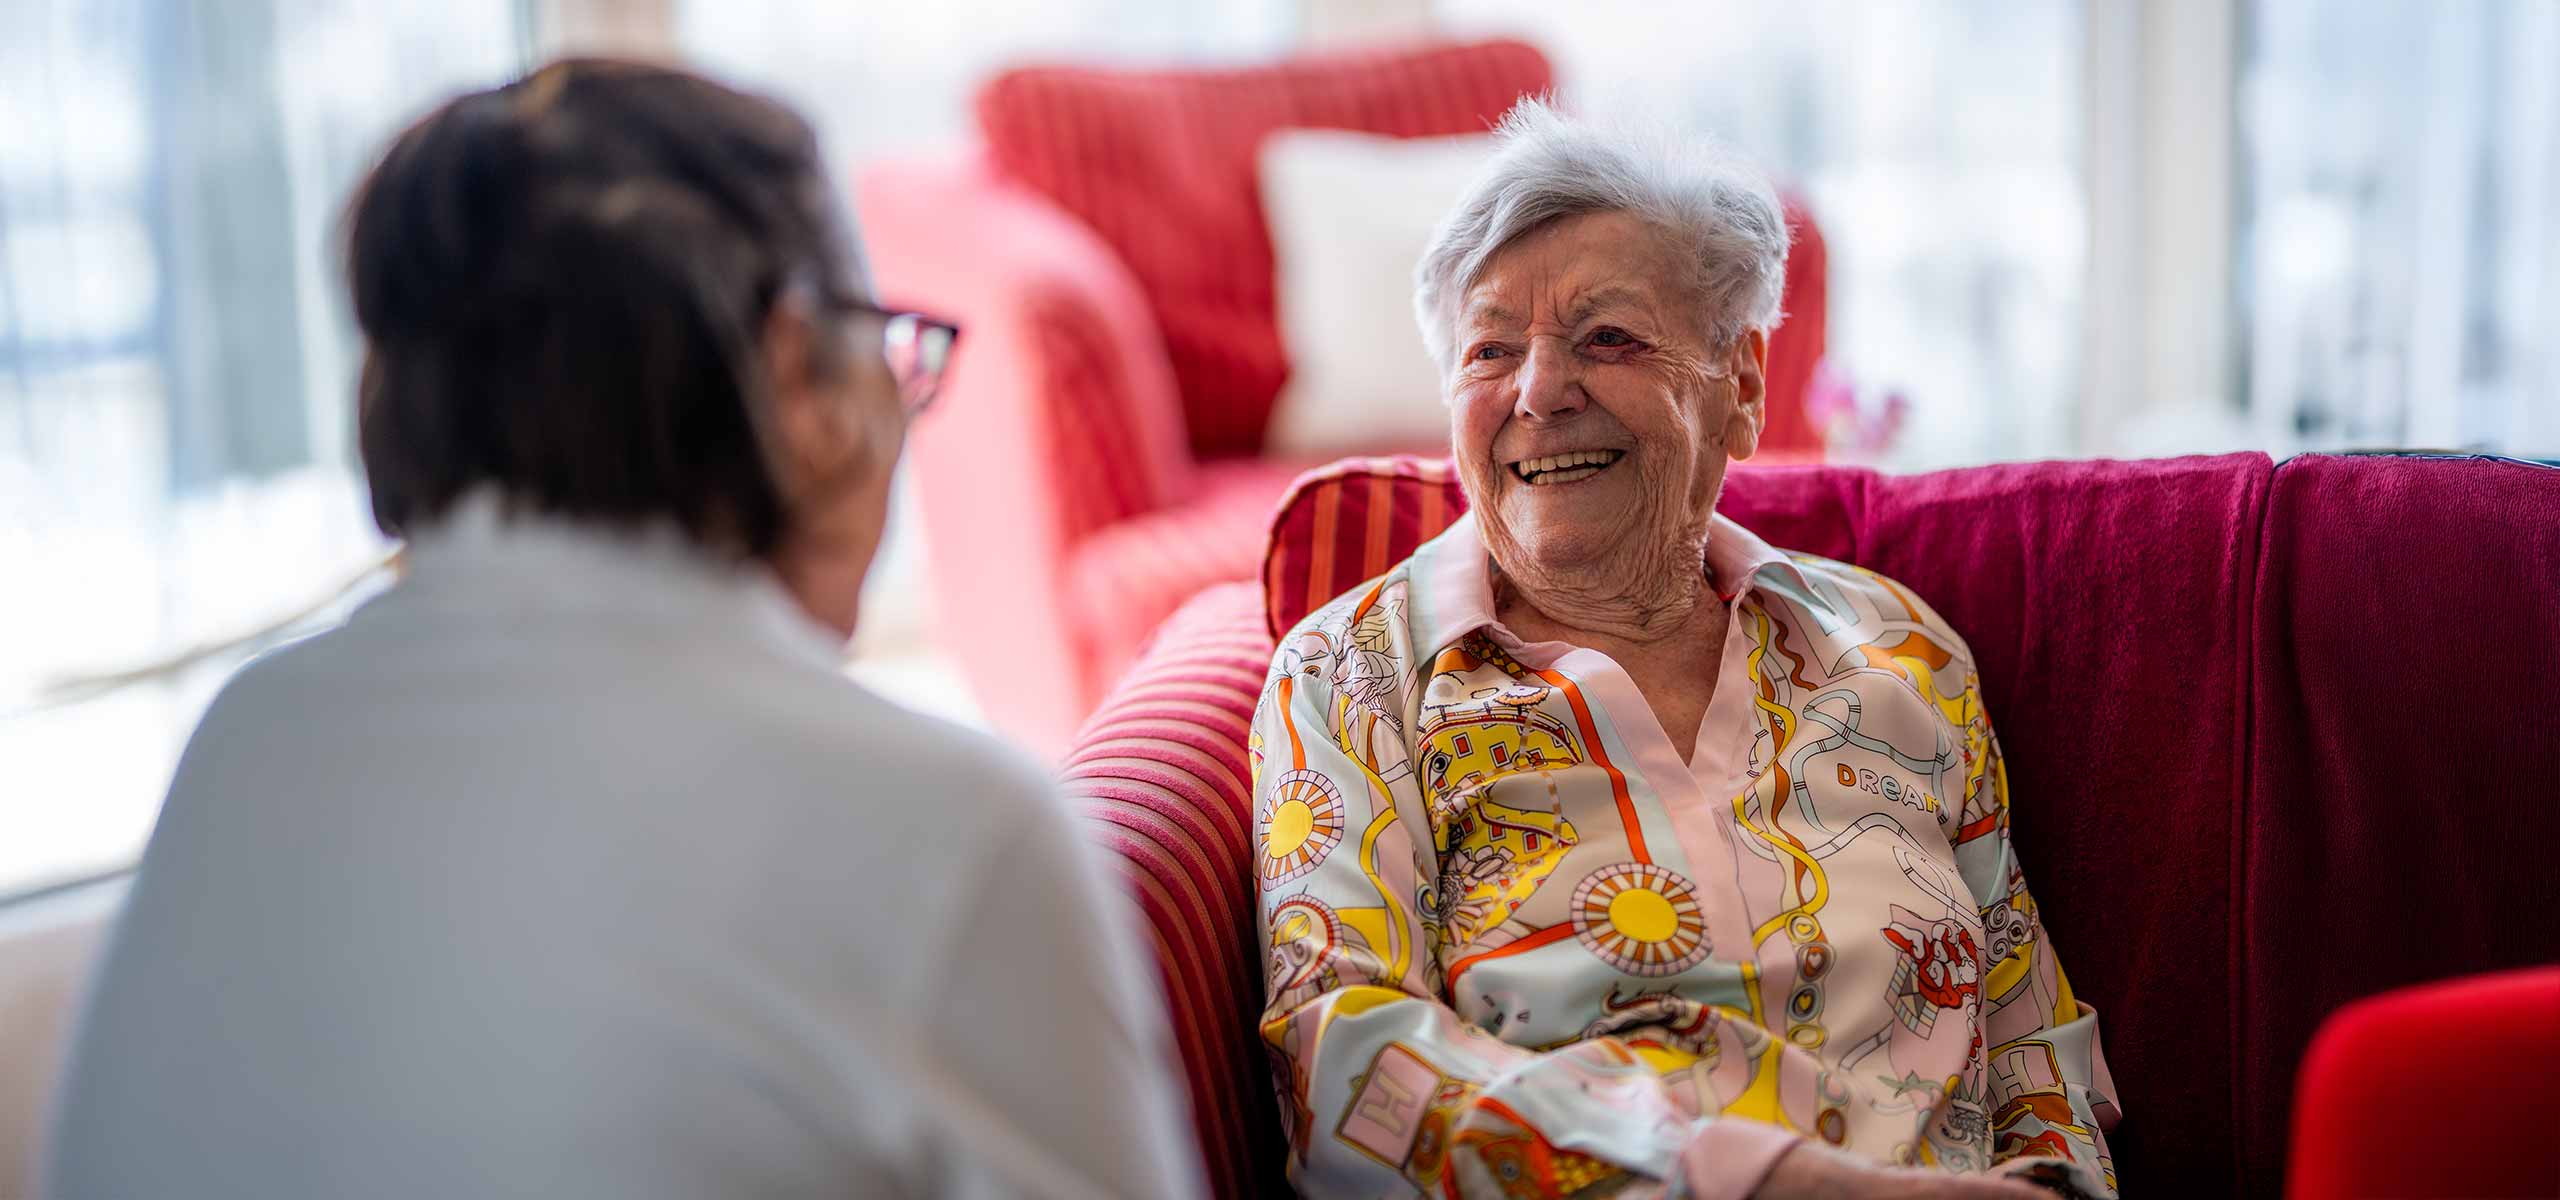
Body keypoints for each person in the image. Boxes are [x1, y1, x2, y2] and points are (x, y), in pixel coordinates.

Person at [44, 59, 1201, 1200]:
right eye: (883, 346)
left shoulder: (248, 741)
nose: (902, 406)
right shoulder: (952, 834)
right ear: (797, 378)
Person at [1250, 100, 2119, 1200]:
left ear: (1740, 387)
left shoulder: (1900, 650)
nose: (1537, 392)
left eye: (1607, 338)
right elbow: (1344, 1066)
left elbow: (2029, 1031)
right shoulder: (1352, 675)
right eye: (1490, 350)